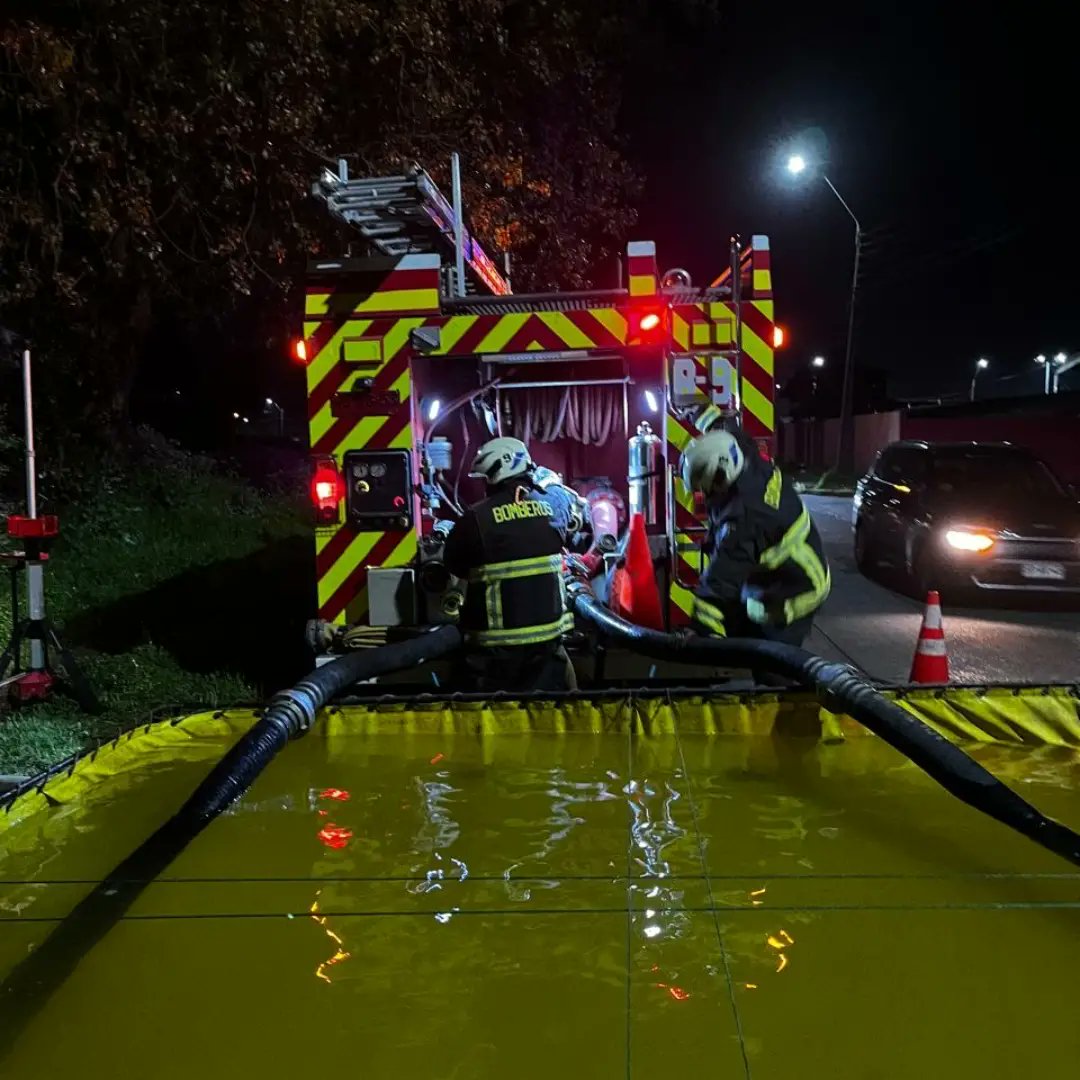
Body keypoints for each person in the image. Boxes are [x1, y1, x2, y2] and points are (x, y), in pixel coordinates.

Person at [442, 437, 578, 693]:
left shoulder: (476, 519)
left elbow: (454, 563)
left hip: (495, 660)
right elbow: (574, 529)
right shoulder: (553, 507)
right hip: (547, 651)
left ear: (494, 475)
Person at [680, 427, 830, 655]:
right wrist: (703, 413)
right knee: (742, 619)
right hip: (774, 573)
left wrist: (699, 633)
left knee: (772, 658)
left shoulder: (746, 518)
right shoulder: (742, 455)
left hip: (795, 587)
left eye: (707, 488)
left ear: (722, 476)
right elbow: (731, 431)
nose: (705, 496)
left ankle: (777, 686)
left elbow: (721, 581)